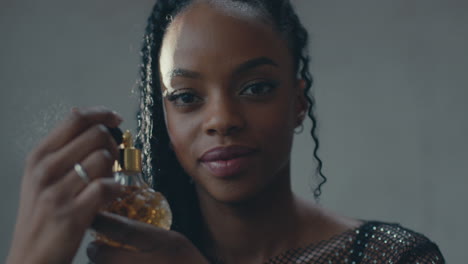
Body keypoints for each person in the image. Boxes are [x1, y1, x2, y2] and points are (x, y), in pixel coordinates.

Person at [6, 0, 445, 263]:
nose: (221, 119)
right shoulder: (127, 257)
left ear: (298, 101)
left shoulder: (390, 257)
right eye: (186, 97)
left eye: (256, 88)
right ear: (164, 115)